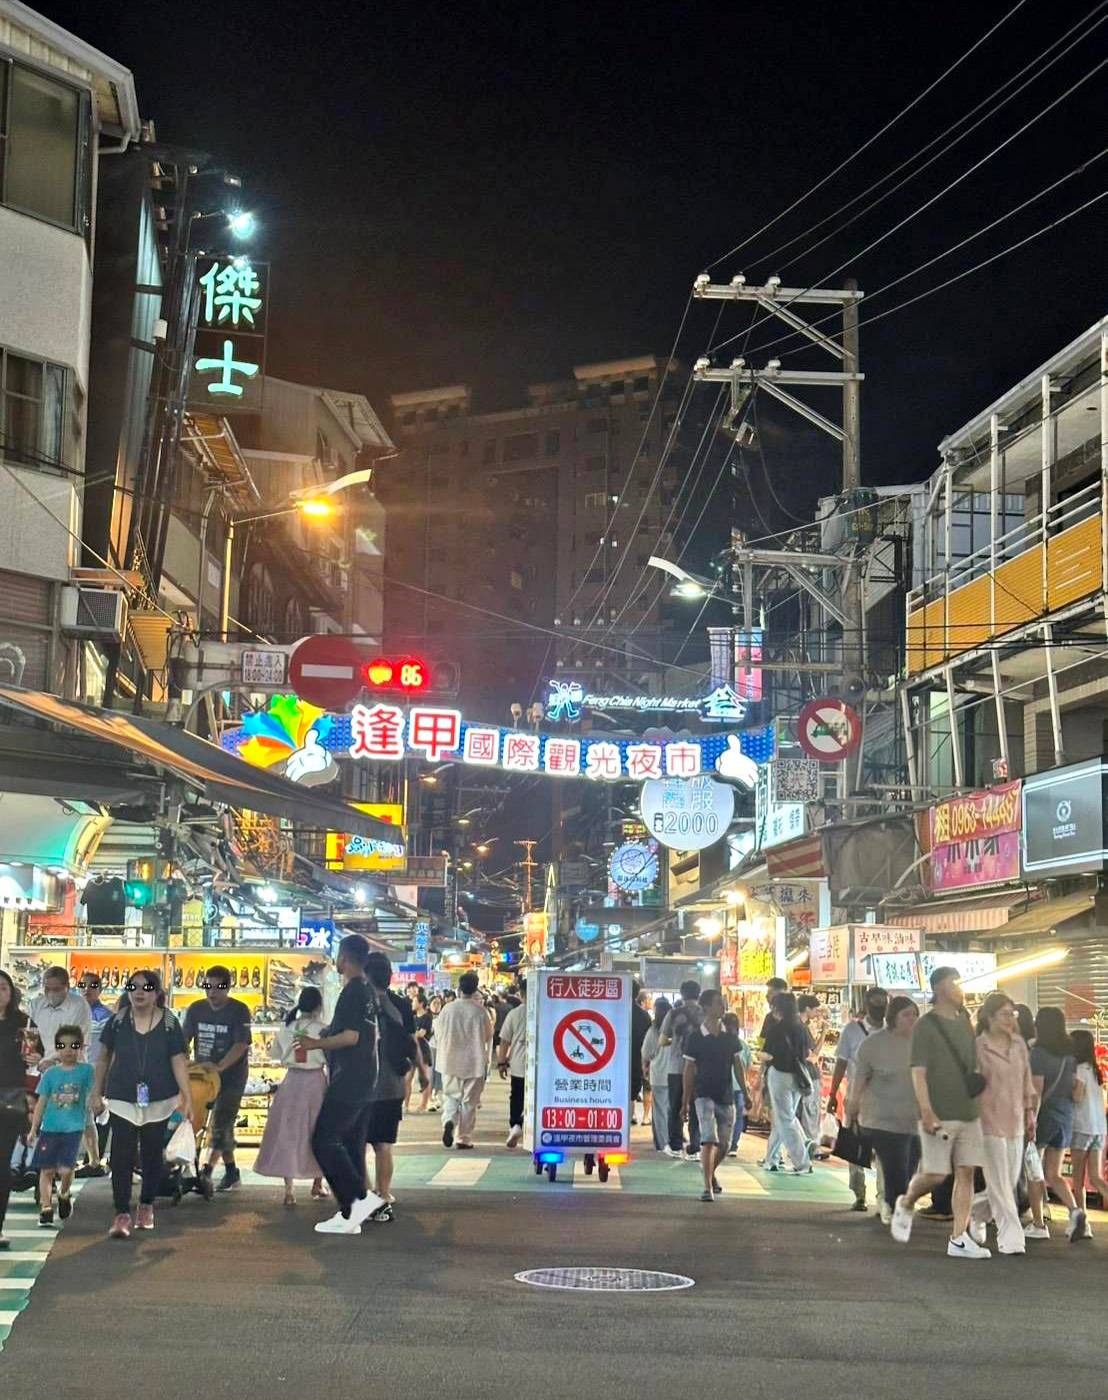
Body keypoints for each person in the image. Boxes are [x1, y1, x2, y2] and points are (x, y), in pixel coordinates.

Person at [890, 966, 989, 1259]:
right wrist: (926, 1110)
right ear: (942, 988)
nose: (961, 989)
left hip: (969, 1111)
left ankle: (959, 1237)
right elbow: (918, 1072)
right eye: (956, 983)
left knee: (966, 1171)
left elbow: (973, 1065)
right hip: (939, 1111)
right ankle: (906, 1202)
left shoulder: (965, 1022)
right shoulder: (926, 1026)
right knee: (935, 1174)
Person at [92, 970, 191, 1239]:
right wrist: (95, 1092)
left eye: (146, 988)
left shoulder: (170, 1022)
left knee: (151, 1155)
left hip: (160, 1098)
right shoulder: (118, 1021)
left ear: (157, 993)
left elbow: (178, 1060)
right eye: (133, 987)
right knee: (121, 1156)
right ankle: (121, 1213)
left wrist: (187, 1096)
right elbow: (103, 1057)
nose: (139, 992)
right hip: (122, 1095)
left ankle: (146, 1204)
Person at [298, 934, 387, 1236]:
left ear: (345, 958)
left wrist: (315, 1042)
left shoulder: (353, 992)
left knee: (324, 1140)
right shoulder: (368, 991)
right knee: (350, 1145)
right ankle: (350, 1213)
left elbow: (351, 1036)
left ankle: (358, 1200)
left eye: (338, 955)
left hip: (351, 1079)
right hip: (366, 1078)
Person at [969, 992, 1036, 1255]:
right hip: (988, 1119)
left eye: (1013, 1014)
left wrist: (1030, 1113)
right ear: (989, 1017)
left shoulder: (1019, 1045)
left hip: (1016, 1118)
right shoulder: (978, 1047)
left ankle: (974, 1211)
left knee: (1006, 1182)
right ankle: (1011, 1237)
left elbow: (1026, 1081)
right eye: (1005, 1014)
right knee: (997, 1180)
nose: (1010, 1020)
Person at [846, 995, 920, 1225]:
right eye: (906, 1015)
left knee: (909, 1167)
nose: (912, 1020)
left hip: (915, 1118)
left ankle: (893, 1200)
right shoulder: (873, 1044)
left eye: (915, 1015)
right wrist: (852, 1108)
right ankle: (893, 1204)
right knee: (895, 1166)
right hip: (882, 1119)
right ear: (893, 1017)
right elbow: (859, 1080)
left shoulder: (922, 1044)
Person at [253, 986, 328, 1206]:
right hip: (315, 1082)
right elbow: (328, 1056)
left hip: (292, 1082)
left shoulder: (286, 1028)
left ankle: (289, 1190)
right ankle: (317, 1183)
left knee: (288, 1133)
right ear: (318, 1006)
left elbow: (275, 1054)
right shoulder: (322, 1029)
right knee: (318, 1131)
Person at [183, 964, 252, 1192]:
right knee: (200, 1121)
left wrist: (220, 1067)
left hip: (232, 1077)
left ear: (228, 988)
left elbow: (241, 1044)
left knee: (222, 1120)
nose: (212, 993)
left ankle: (208, 1170)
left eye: (218, 988)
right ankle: (231, 1171)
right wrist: (184, 1063)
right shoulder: (195, 1009)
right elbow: (183, 1042)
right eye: (208, 987)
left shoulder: (240, 1010)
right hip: (202, 1077)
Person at [364, 952, 422, 1212]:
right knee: (383, 1144)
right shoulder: (401, 1005)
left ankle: (365, 1196)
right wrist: (422, 1071)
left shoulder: (358, 1002)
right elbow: (412, 1042)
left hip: (360, 1084)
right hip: (392, 1084)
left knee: (358, 1144)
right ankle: (384, 1192)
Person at [827, 985, 889, 1211]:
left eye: (882, 1004)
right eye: (875, 1003)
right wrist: (833, 1094)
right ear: (866, 1005)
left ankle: (883, 1197)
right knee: (855, 1146)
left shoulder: (891, 1031)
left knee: (883, 1148)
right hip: (857, 1098)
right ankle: (860, 1193)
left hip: (885, 1101)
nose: (879, 1008)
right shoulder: (852, 1031)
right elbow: (841, 1063)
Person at [682, 989, 748, 1201]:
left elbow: (738, 1066)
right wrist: (685, 1101)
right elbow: (689, 1070)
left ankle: (709, 1174)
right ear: (707, 1007)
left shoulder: (730, 1037)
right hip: (703, 1094)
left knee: (725, 1144)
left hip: (726, 1094)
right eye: (719, 1003)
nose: (723, 1007)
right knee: (708, 1139)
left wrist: (745, 1093)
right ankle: (706, 1188)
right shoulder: (695, 1038)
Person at [1027, 1005, 1085, 1242]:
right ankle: (1075, 1211)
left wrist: (1031, 1121)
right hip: (1065, 1117)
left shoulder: (1038, 1055)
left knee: (1034, 1171)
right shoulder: (1070, 1057)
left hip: (1045, 1117)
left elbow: (1036, 1092)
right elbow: (1076, 1090)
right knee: (1054, 1173)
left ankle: (1039, 1224)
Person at [28, 1024, 93, 1227]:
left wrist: (96, 1106)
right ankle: (46, 1208)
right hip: (49, 1129)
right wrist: (33, 1129)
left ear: (81, 1047)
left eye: (73, 1045)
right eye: (62, 1046)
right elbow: (41, 1102)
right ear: (56, 1047)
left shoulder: (87, 1071)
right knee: (46, 1170)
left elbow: (93, 1094)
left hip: (73, 1129)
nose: (67, 1050)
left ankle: (64, 1194)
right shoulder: (50, 1074)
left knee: (66, 1170)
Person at [435, 972, 492, 1149]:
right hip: (474, 1062)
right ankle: (464, 1138)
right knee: (469, 1102)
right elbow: (488, 1035)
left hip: (449, 1060)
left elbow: (438, 1033)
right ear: (475, 989)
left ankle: (449, 1121)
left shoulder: (447, 1009)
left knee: (451, 1096)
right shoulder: (480, 1011)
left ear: (459, 988)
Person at [759, 992, 814, 1174]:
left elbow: (768, 1054)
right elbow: (808, 1054)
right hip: (798, 1077)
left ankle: (802, 1161)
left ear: (778, 1008)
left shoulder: (777, 1028)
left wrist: (760, 1057)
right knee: (784, 1118)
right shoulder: (802, 1027)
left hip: (780, 1075)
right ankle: (772, 1158)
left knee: (785, 1119)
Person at [0, 969, 31, 1251]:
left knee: (2, 1167)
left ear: (11, 993)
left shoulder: (22, 1023)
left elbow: (38, 1056)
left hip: (10, 1102)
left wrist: (33, 1057)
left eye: (3, 988)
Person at [1069, 1029, 1107, 1234]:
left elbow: (1076, 1097)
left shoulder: (1078, 1071)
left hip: (1081, 1128)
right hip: (1099, 1129)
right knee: (1096, 1178)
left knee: (1077, 1179)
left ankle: (1082, 1223)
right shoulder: (1095, 1071)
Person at [75, 971, 113, 1176]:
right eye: (83, 985)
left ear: (100, 989)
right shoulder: (72, 1012)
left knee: (99, 1116)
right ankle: (87, 1159)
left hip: (97, 1073)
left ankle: (94, 1162)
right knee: (80, 1116)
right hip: (74, 1071)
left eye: (92, 986)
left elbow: (110, 1049)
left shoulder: (107, 1016)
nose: (86, 989)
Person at [661, 980, 702, 1159]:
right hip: (700, 1069)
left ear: (682, 994)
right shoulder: (705, 1014)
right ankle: (695, 1147)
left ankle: (676, 1146)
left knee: (675, 1106)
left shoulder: (673, 1013)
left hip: (676, 1067)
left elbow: (662, 1041)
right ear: (698, 994)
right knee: (696, 1108)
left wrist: (675, 1042)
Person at [27, 967, 92, 1074]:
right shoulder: (35, 1004)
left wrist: (56, 1061)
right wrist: (31, 1054)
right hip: (38, 1070)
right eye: (47, 989)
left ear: (67, 986)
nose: (51, 993)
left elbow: (79, 1042)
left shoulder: (79, 1005)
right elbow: (29, 1036)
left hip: (69, 1069)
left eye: (56, 989)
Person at [497, 980, 527, 1148]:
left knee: (517, 1096)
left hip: (519, 1064)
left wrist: (502, 1063)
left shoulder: (515, 1014)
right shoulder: (548, 1010)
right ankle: (526, 1124)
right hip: (545, 1067)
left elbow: (504, 1041)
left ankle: (516, 1124)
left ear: (521, 994)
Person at [640, 997, 672, 1153]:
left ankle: (662, 1142)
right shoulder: (677, 1030)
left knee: (659, 1111)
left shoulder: (653, 1031)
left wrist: (645, 1065)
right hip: (676, 1074)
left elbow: (645, 1053)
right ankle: (673, 1140)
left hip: (658, 1075)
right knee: (672, 1109)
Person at [722, 1011, 753, 1157]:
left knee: (725, 1116)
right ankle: (733, 1144)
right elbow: (746, 1068)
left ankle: (726, 1143)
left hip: (725, 1086)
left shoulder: (718, 1042)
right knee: (737, 1116)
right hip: (738, 1087)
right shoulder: (744, 1046)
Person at [629, 980, 651, 1124]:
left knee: (625, 1092)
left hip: (617, 1061)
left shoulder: (616, 1011)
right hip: (640, 1060)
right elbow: (648, 1041)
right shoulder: (644, 1016)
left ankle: (629, 1117)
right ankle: (641, 1116)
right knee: (637, 1091)